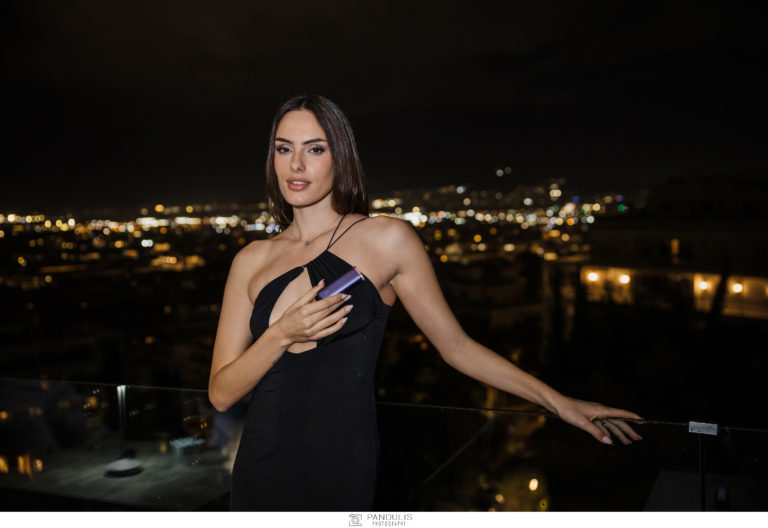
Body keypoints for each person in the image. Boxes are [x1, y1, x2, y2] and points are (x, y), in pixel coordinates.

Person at [208, 94, 642, 511]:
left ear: (340, 157)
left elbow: (458, 348)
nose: (296, 165)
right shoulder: (250, 261)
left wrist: (559, 402)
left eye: (315, 148)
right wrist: (281, 335)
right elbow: (222, 394)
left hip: (338, 469)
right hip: (259, 471)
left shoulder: (386, 239)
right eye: (284, 148)